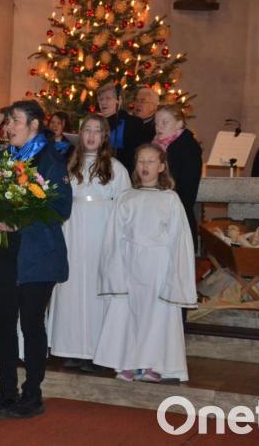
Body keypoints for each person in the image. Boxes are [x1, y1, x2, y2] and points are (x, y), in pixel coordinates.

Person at [0, 100, 72, 419]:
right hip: (5, 251)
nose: (8, 127)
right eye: (7, 122)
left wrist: (20, 222)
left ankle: (32, 393)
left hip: (36, 256)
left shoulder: (51, 160)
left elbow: (61, 208)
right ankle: (6, 391)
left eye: (15, 121)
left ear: (34, 125)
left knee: (31, 325)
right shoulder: (5, 158)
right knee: (3, 323)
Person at [93, 143, 197, 383]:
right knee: (129, 313)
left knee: (156, 314)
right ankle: (128, 363)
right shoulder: (126, 197)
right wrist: (112, 267)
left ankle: (153, 364)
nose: (145, 166)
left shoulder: (170, 199)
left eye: (151, 161)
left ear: (161, 166)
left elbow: (179, 239)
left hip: (158, 265)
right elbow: (114, 235)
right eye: (141, 161)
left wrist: (176, 274)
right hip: (130, 263)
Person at [47, 115, 130, 371]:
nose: (92, 136)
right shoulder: (69, 165)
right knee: (71, 288)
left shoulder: (116, 168)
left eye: (97, 131)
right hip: (72, 233)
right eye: (87, 131)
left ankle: (97, 350)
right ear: (80, 135)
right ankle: (72, 348)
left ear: (104, 137)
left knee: (96, 290)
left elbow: (125, 207)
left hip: (101, 236)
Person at [152, 104, 203, 245]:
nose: (159, 127)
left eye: (165, 122)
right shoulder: (154, 146)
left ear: (179, 124)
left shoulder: (188, 148)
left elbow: (187, 190)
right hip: (156, 214)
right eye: (156, 123)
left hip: (177, 217)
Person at [96, 83, 144, 174]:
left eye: (108, 98)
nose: (103, 102)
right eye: (100, 99)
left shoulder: (133, 123)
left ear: (119, 100)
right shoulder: (97, 123)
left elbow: (136, 156)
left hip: (124, 174)